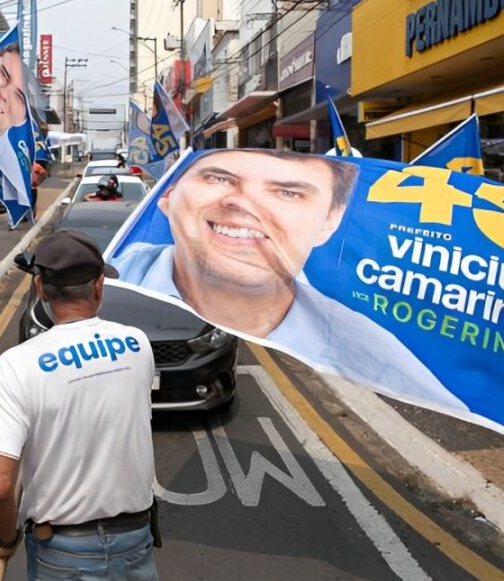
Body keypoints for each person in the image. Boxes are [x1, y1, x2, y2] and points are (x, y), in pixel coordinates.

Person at [112, 148, 467, 415]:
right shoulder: (108, 282)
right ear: (168, 195)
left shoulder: (378, 353)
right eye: (219, 178)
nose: (242, 203)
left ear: (331, 220)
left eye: (288, 192)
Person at [0, 230, 168, 581]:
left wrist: (6, 537)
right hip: (132, 540)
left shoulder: (17, 365)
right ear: (99, 286)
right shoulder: (137, 344)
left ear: (40, 287)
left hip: (60, 551)